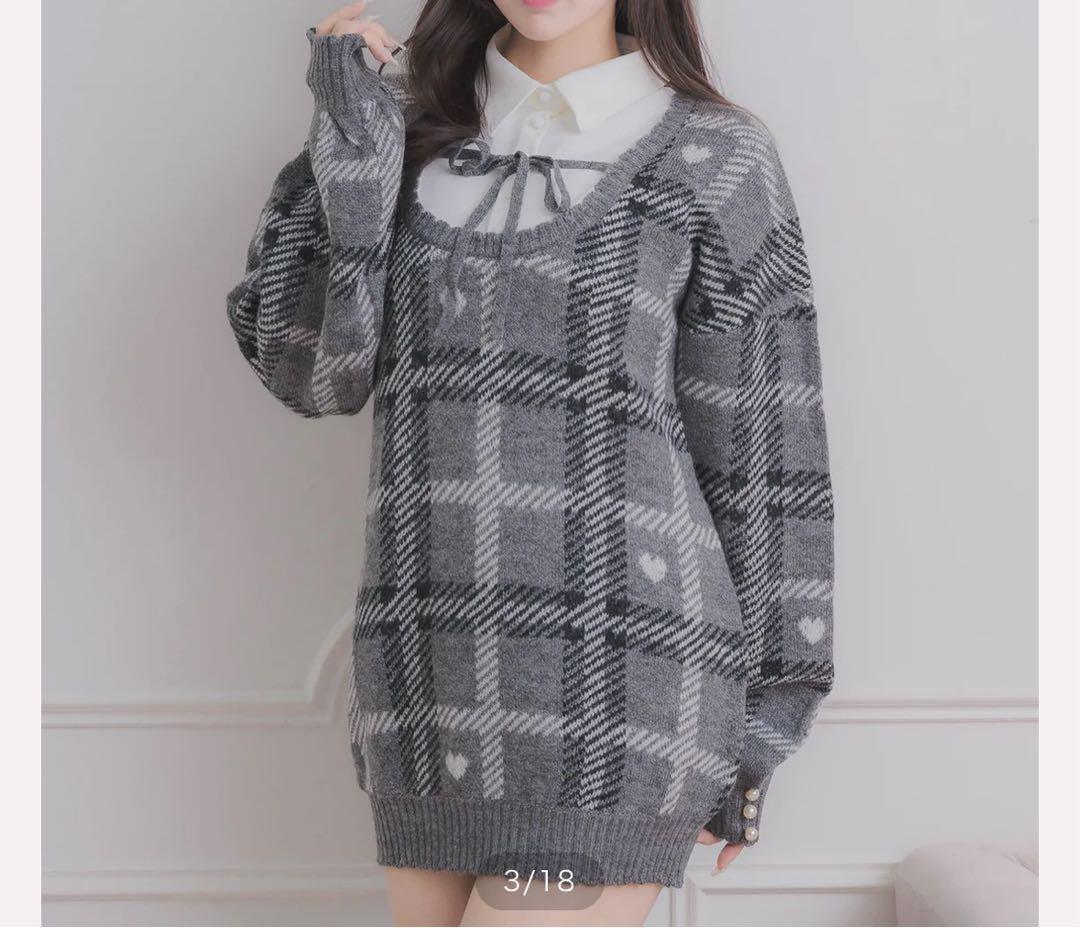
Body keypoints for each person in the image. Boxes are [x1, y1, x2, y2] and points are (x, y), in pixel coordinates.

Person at [226, 1, 835, 924]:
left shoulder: (716, 156)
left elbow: (770, 462)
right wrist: (351, 133)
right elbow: (312, 375)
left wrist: (761, 728)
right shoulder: (404, 136)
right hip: (420, 685)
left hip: (624, 692)